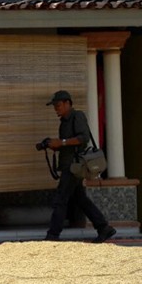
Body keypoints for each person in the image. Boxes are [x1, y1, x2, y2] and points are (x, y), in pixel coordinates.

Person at [43, 90, 116, 243]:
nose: (56, 108)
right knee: (80, 199)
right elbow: (68, 144)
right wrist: (53, 145)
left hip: (74, 166)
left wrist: (61, 142)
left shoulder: (77, 116)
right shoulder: (64, 122)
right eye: (55, 106)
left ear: (68, 103)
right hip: (69, 166)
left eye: (58, 105)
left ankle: (52, 235)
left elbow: (83, 138)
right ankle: (103, 227)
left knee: (61, 199)